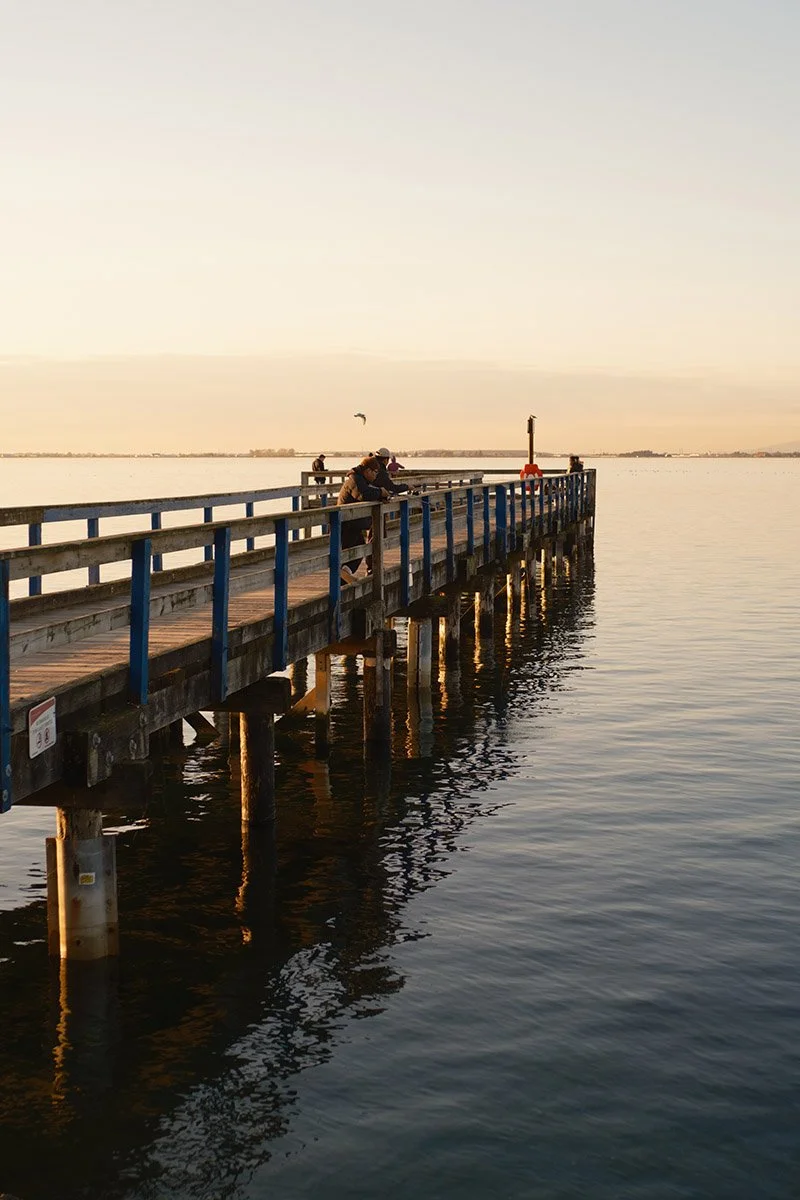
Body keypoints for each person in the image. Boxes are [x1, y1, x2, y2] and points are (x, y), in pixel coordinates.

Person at [337, 455, 390, 581]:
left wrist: (381, 495)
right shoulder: (355, 479)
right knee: (348, 551)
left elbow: (369, 492)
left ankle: (344, 573)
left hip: (353, 523)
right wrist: (381, 492)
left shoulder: (362, 480)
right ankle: (341, 577)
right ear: (367, 471)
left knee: (359, 547)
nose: (376, 475)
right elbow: (363, 494)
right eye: (375, 472)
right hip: (346, 522)